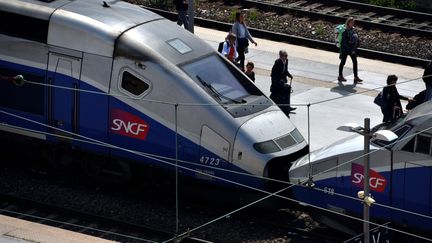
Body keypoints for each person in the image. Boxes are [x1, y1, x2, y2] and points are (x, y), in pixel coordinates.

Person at [270, 50, 295, 117]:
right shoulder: (277, 62)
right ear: (281, 56)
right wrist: (278, 82)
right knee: (286, 89)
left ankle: (288, 107)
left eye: (287, 56)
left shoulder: (286, 61)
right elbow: (273, 74)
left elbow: (285, 70)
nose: (286, 57)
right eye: (285, 56)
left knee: (288, 89)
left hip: (282, 81)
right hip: (277, 82)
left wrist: (289, 75)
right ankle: (285, 109)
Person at [338, 17, 363, 84]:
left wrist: (356, 46)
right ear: (348, 23)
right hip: (345, 49)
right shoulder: (344, 31)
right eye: (351, 22)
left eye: (353, 23)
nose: (352, 24)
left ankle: (356, 77)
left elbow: (355, 38)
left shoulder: (353, 30)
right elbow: (344, 43)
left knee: (355, 62)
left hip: (352, 49)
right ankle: (340, 76)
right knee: (343, 62)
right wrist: (351, 50)